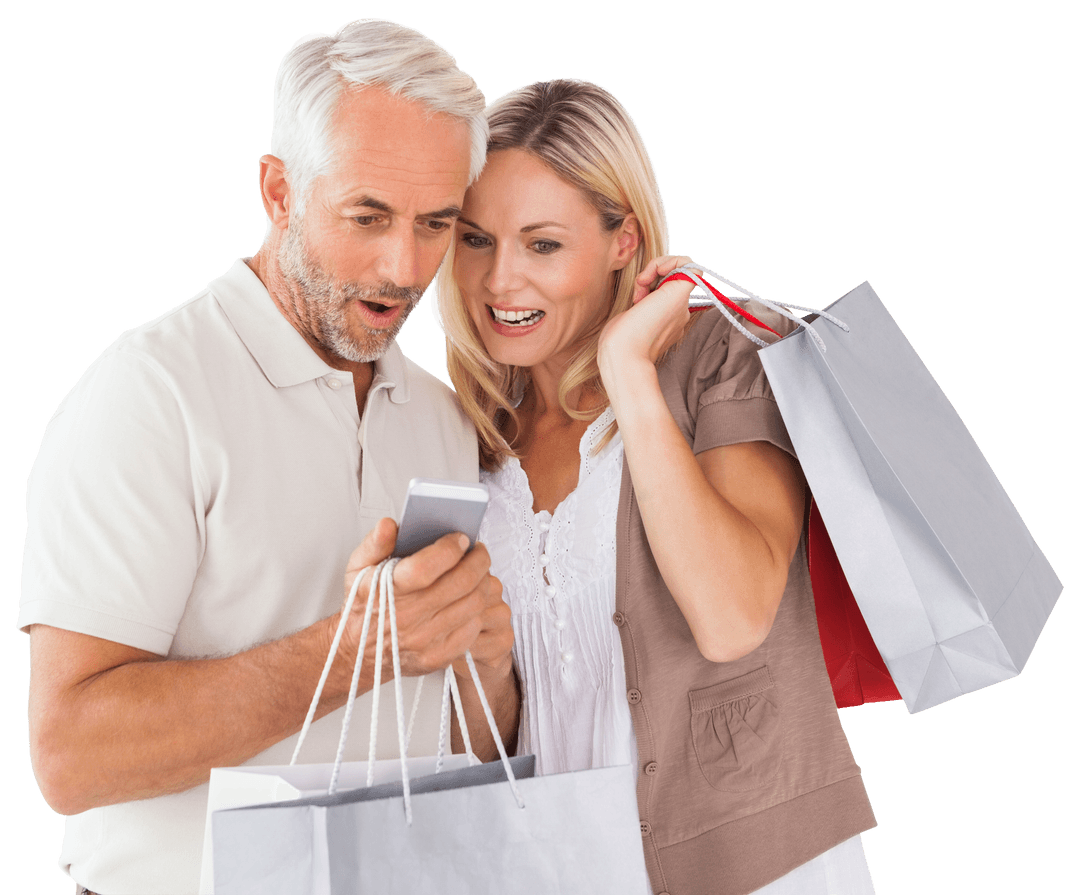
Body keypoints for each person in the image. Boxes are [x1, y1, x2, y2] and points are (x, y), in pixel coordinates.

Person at [19, 19, 518, 895]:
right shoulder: (148, 398)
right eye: (367, 216)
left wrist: (483, 661)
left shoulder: (442, 419)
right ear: (279, 192)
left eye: (435, 223)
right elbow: (70, 753)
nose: (404, 266)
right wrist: (362, 648)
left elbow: (466, 739)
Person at [434, 78, 878, 895]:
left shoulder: (721, 358)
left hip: (750, 871)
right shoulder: (460, 432)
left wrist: (629, 376)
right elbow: (480, 739)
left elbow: (733, 615)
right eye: (475, 240)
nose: (500, 282)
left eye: (542, 244)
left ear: (621, 240)